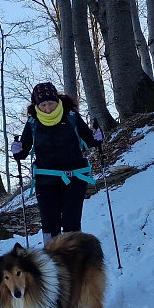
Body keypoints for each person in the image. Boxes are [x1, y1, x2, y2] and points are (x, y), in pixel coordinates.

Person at [11, 82, 104, 245]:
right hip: (45, 181)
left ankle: (74, 260)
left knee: (71, 222)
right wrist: (17, 150)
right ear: (37, 105)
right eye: (43, 105)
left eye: (51, 103)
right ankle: (53, 261)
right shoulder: (33, 123)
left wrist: (97, 137)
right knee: (49, 225)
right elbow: (23, 152)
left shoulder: (71, 116)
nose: (48, 108)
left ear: (57, 101)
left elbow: (89, 139)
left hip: (75, 178)